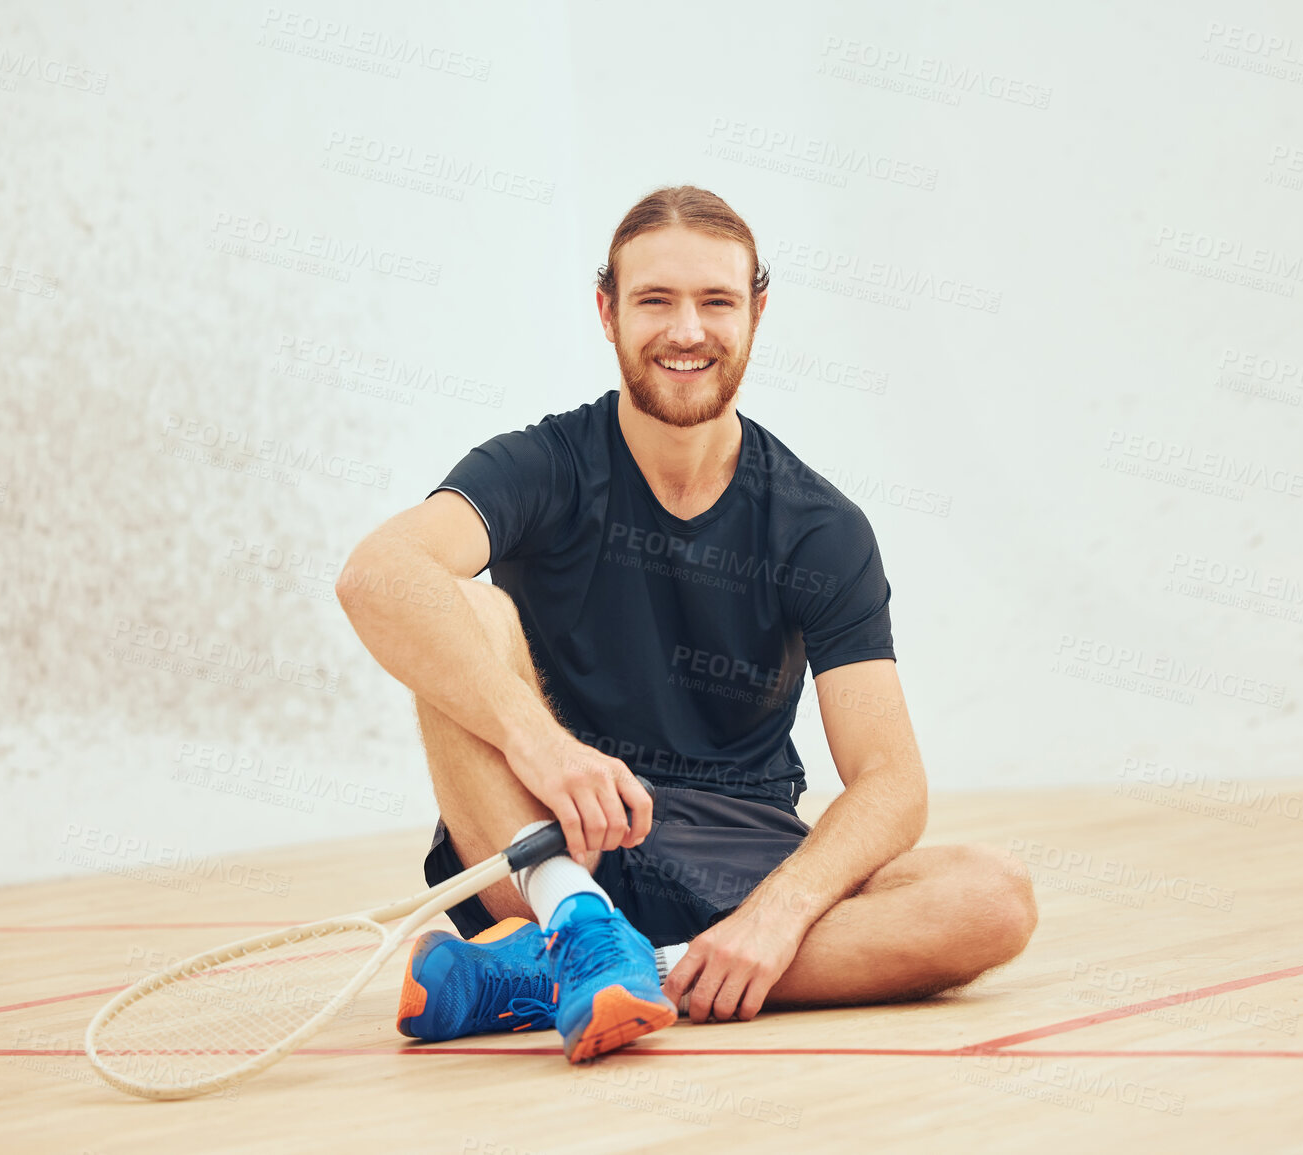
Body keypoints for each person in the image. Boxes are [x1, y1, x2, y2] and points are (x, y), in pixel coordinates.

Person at [336, 185, 1037, 1063]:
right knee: (453, 601)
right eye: (655, 300)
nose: (686, 330)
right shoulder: (540, 465)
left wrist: (777, 915)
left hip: (735, 860)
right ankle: (574, 922)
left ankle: (582, 975)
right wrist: (544, 748)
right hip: (545, 840)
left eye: (715, 301)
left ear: (756, 312)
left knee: (990, 897)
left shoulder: (819, 527)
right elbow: (377, 573)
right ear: (607, 311)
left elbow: (891, 780)